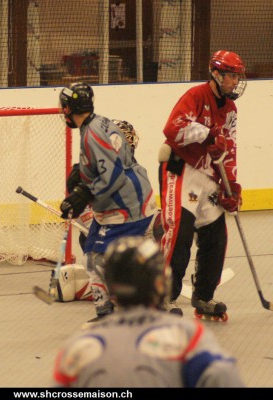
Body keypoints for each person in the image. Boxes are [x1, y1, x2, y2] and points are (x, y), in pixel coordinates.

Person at [52, 236, 245, 388]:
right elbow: (223, 376)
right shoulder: (187, 337)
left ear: (110, 289)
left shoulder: (78, 348)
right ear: (161, 284)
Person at [58, 82, 159, 323]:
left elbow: (114, 175)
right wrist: (82, 171)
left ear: (68, 108)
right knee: (94, 253)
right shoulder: (99, 122)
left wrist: (84, 193)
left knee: (97, 258)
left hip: (125, 206)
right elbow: (112, 159)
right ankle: (118, 310)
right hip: (131, 199)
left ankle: (121, 312)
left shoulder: (91, 133)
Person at [158, 50, 246, 317]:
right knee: (179, 234)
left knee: (216, 238)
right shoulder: (195, 95)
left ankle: (204, 296)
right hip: (181, 170)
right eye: (231, 76)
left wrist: (231, 186)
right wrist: (208, 134)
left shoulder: (230, 109)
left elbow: (229, 149)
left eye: (237, 77)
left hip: (208, 177)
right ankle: (163, 297)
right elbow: (173, 128)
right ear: (216, 74)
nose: (235, 82)